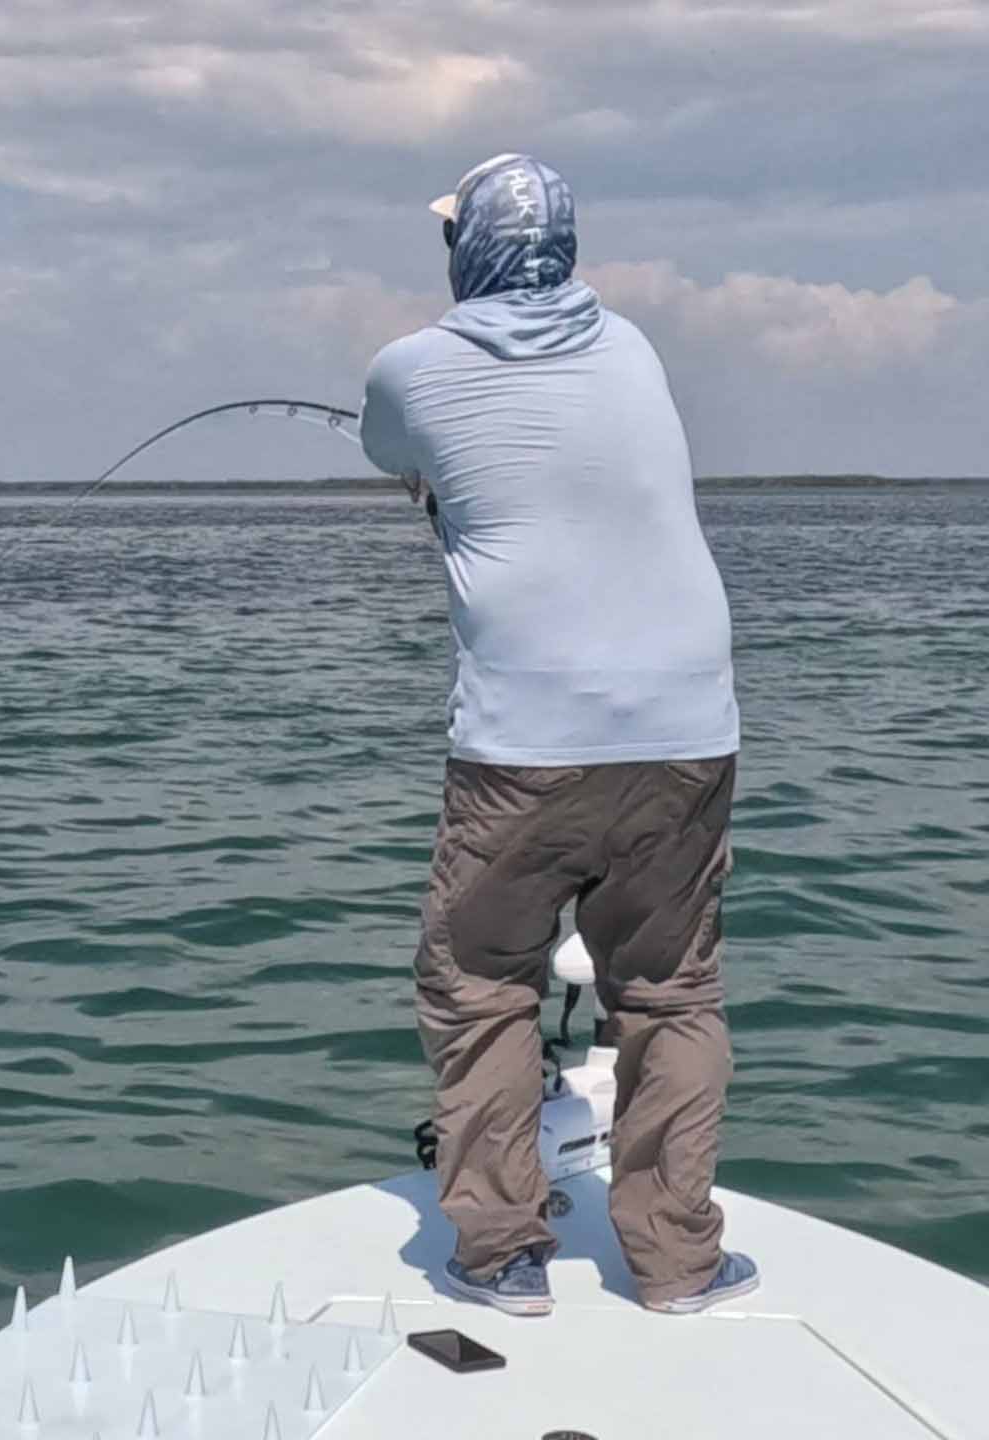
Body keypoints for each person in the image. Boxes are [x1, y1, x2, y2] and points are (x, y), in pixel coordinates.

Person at [359, 154, 758, 1317]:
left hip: (526, 738)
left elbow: (394, 451)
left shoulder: (410, 367)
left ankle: (500, 1255)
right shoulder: (632, 346)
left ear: (466, 251)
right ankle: (678, 1263)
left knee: (480, 980)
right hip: (688, 722)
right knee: (670, 991)